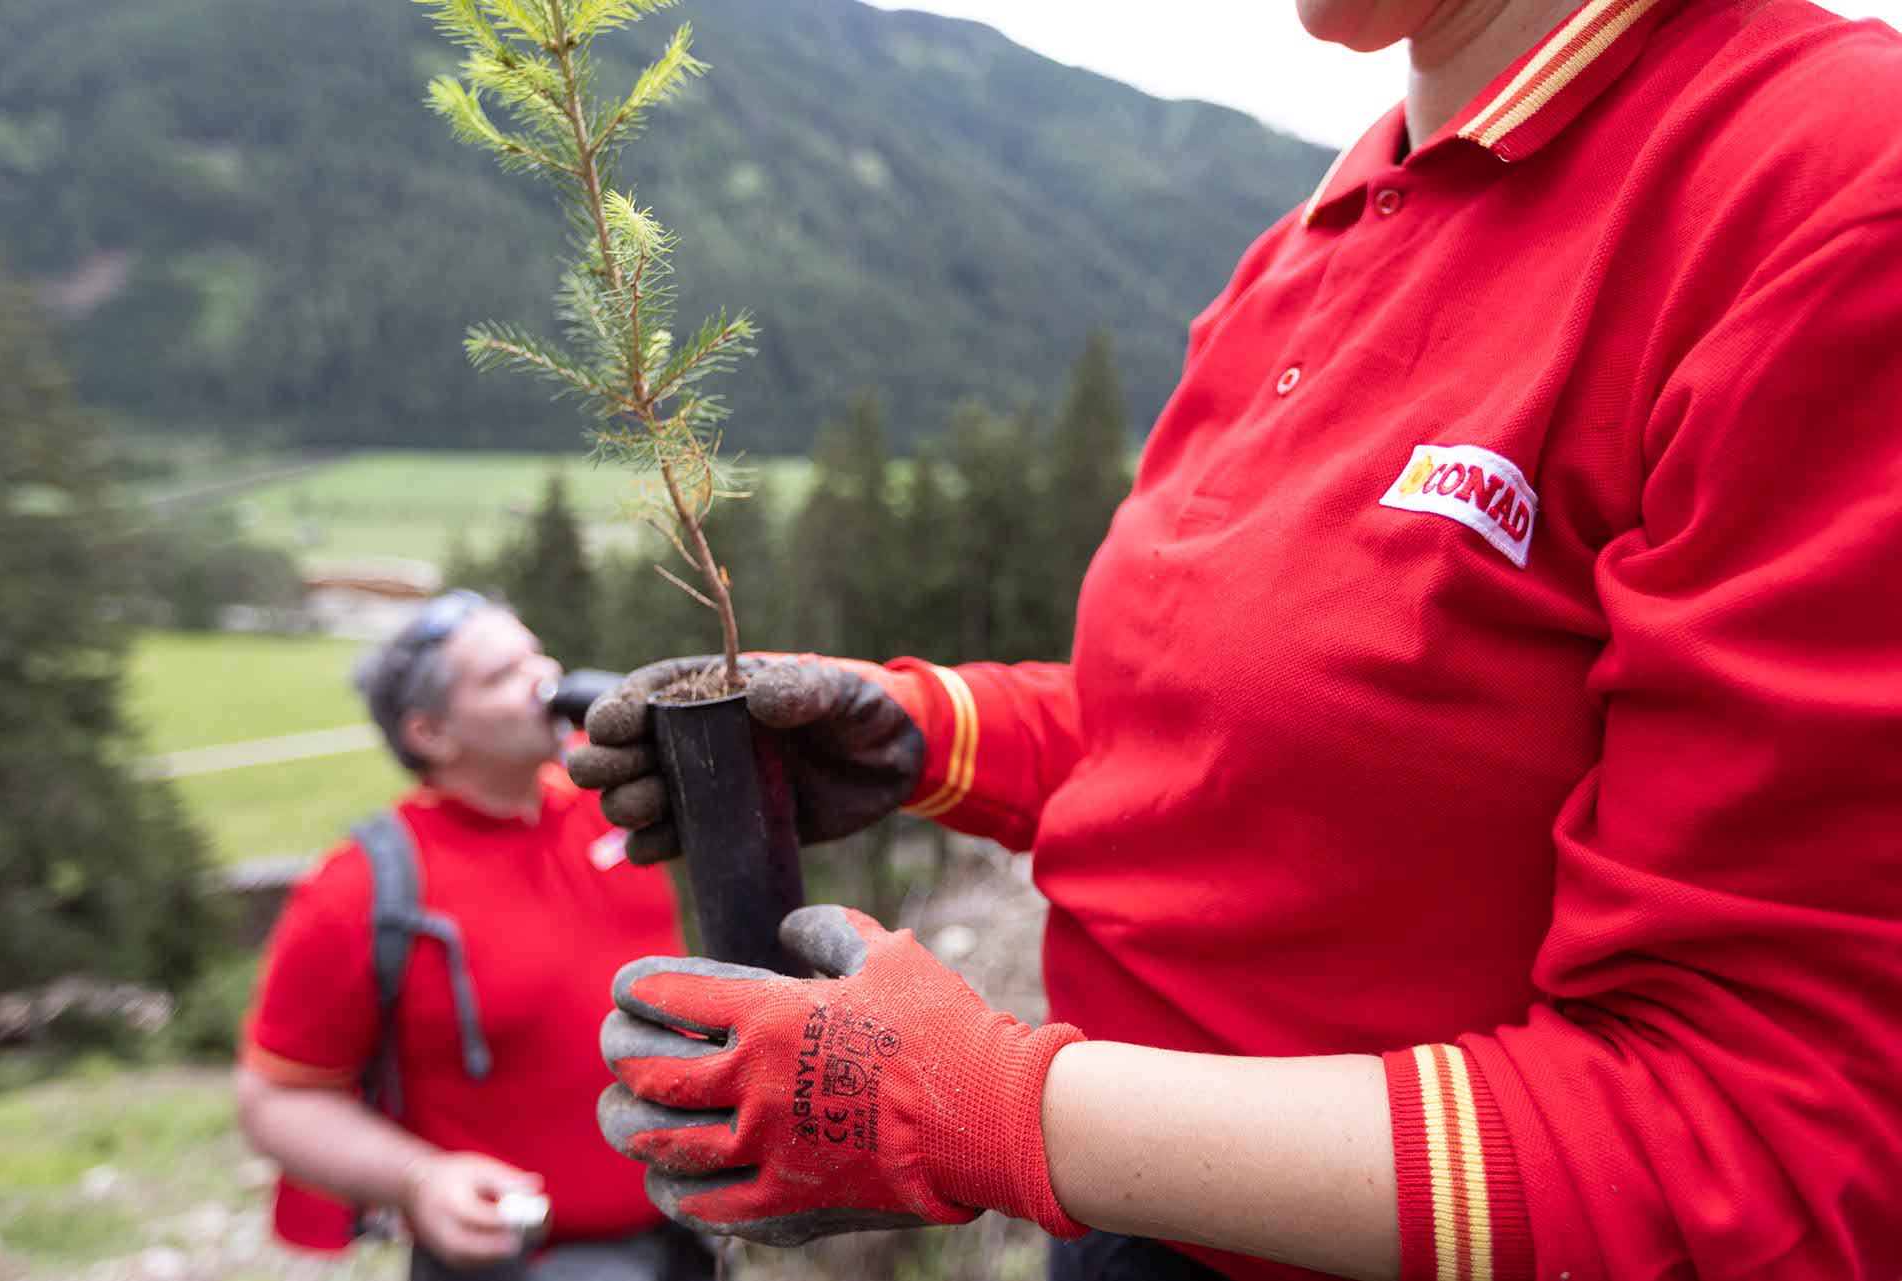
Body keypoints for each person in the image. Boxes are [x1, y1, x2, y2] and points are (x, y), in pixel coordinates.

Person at [565, 0, 1902, 1277]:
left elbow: (1757, 1141)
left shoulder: (1824, 185)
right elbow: (1211, 723)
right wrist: (933, 732)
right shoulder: (1324, 236)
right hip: (1113, 1226)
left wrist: (987, 1109)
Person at [235, 591, 713, 1281]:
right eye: (501, 675)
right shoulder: (354, 890)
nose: (544, 678)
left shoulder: (614, 799)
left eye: (535, 654)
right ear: (431, 733)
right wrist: (419, 1179)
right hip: (523, 1263)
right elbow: (275, 1100)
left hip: (688, 1232)